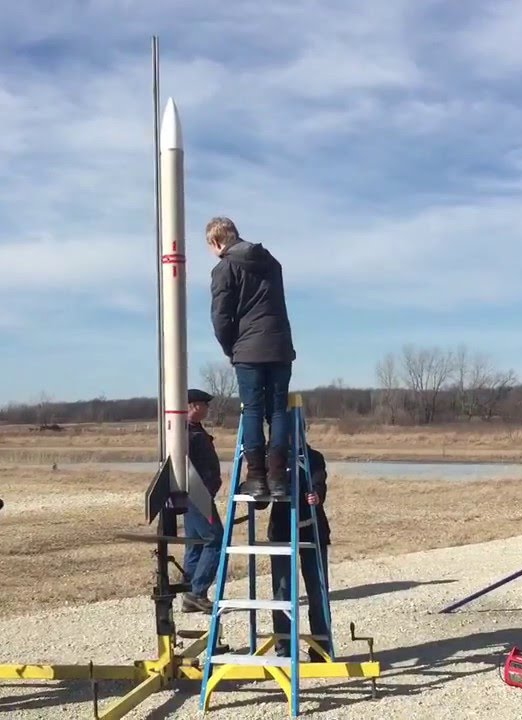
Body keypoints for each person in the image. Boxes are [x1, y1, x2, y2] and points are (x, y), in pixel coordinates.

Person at [206, 215, 296, 502]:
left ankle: (256, 476)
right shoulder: (272, 264)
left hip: (248, 348)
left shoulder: (224, 268)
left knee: (254, 410)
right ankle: (278, 477)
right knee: (278, 409)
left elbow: (221, 316)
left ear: (217, 242)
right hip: (279, 345)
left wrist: (230, 347)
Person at [267, 444, 332, 662]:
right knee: (282, 593)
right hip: (282, 529)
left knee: (317, 591)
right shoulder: (273, 456)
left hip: (313, 531)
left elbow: (319, 483)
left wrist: (317, 496)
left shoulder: (314, 457)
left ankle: (321, 650)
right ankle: (284, 650)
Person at [181, 389, 223, 614]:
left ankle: (190, 593)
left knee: (196, 542)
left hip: (198, 492)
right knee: (215, 539)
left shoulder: (194, 430)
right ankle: (197, 592)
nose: (207, 409)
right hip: (196, 492)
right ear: (192, 406)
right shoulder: (185, 432)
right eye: (204, 405)